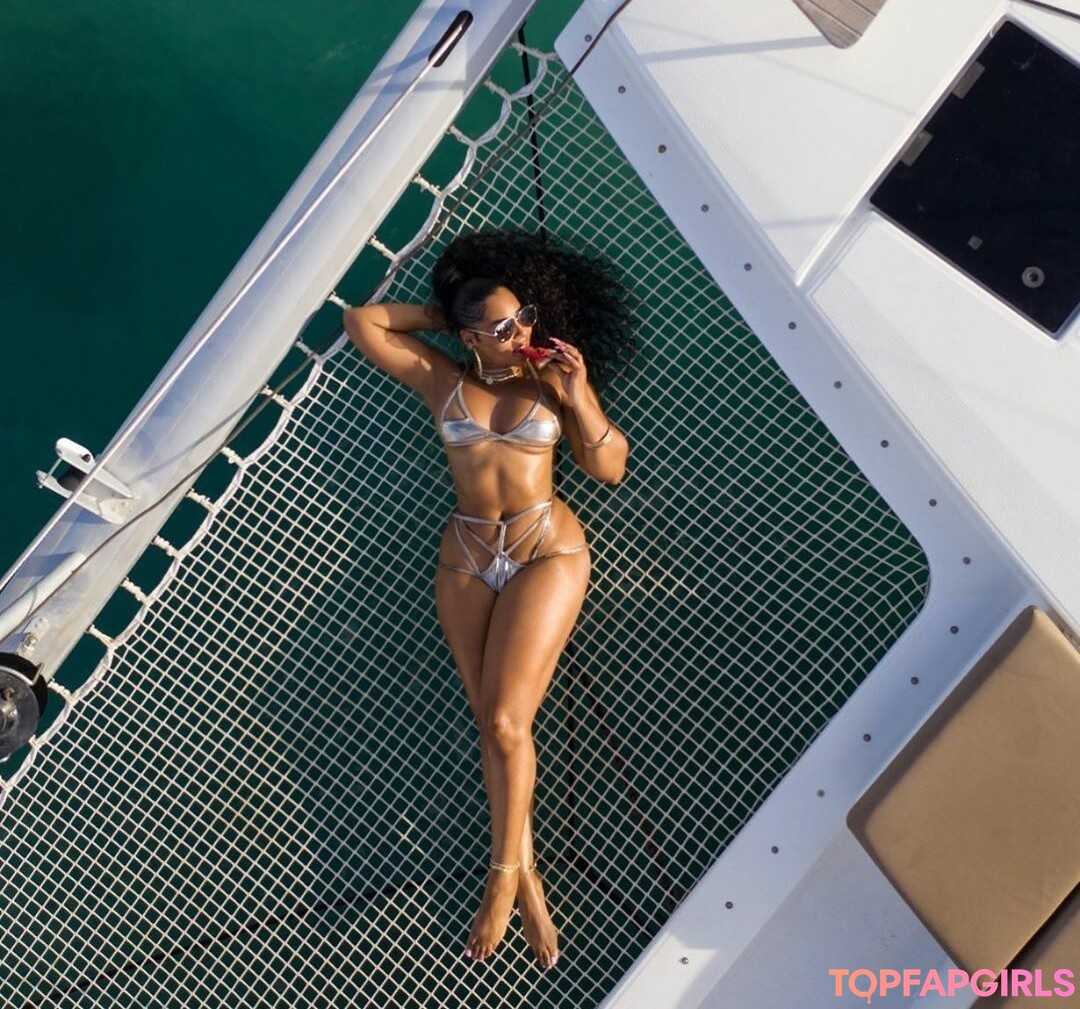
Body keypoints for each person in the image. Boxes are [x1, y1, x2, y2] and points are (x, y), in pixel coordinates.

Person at [343, 230, 635, 970]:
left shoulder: (549, 382)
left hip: (547, 551)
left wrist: (579, 391)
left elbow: (608, 469)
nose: (521, 333)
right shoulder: (442, 378)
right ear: (469, 336)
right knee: (494, 726)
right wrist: (447, 318)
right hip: (467, 559)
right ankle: (528, 877)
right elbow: (363, 322)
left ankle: (502, 876)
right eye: (501, 327)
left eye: (525, 318)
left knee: (507, 721)